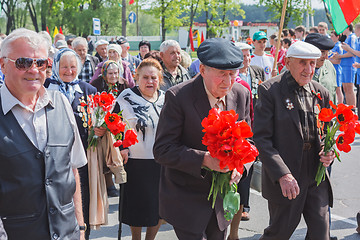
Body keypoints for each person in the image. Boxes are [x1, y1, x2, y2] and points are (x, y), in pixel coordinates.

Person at [153, 38, 250, 240]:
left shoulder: (241, 94)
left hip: (223, 200)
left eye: (233, 74)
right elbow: (163, 149)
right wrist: (205, 160)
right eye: (222, 74)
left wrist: (239, 166)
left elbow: (250, 141)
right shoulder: (178, 97)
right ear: (203, 69)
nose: (228, 81)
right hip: (186, 198)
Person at [0, 28, 87, 239]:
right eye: (23, 62)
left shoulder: (61, 104)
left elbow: (71, 170)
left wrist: (81, 227)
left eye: (41, 63)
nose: (33, 70)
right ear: (2, 64)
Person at [253, 41, 335, 240]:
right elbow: (262, 139)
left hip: (315, 173)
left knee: (320, 232)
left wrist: (328, 151)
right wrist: (283, 175)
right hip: (287, 172)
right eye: (303, 63)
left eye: (313, 64)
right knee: (280, 231)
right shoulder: (270, 90)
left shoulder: (319, 92)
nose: (309, 70)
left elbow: (325, 132)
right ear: (288, 62)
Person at [44, 48, 97, 240]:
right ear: (56, 67)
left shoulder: (88, 90)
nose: (68, 71)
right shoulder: (45, 87)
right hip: (52, 158)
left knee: (82, 199)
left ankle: (83, 234)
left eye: (73, 66)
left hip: (81, 157)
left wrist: (99, 130)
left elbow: (95, 122)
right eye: (64, 66)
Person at [117, 58, 165, 240]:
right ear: (137, 78)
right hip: (135, 161)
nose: (150, 81)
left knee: (158, 206)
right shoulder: (126, 97)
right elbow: (114, 125)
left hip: (161, 161)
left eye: (153, 77)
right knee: (137, 206)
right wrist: (122, 146)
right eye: (145, 77)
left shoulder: (166, 98)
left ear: (159, 78)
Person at [305, 33, 337, 103]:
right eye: (322, 52)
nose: (326, 57)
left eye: (327, 53)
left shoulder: (329, 66)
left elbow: (333, 94)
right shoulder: (295, 68)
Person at [333, 23, 357, 107]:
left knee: (350, 88)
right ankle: (348, 108)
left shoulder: (352, 37)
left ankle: (352, 108)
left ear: (347, 28)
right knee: (346, 88)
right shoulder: (347, 38)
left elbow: (352, 53)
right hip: (344, 65)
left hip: (350, 65)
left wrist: (340, 56)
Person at [329, 30, 344, 104]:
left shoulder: (339, 46)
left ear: (337, 37)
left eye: (332, 36)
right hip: (331, 70)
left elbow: (339, 61)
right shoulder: (332, 46)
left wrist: (329, 60)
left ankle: (340, 105)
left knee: (338, 89)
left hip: (337, 70)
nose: (330, 37)